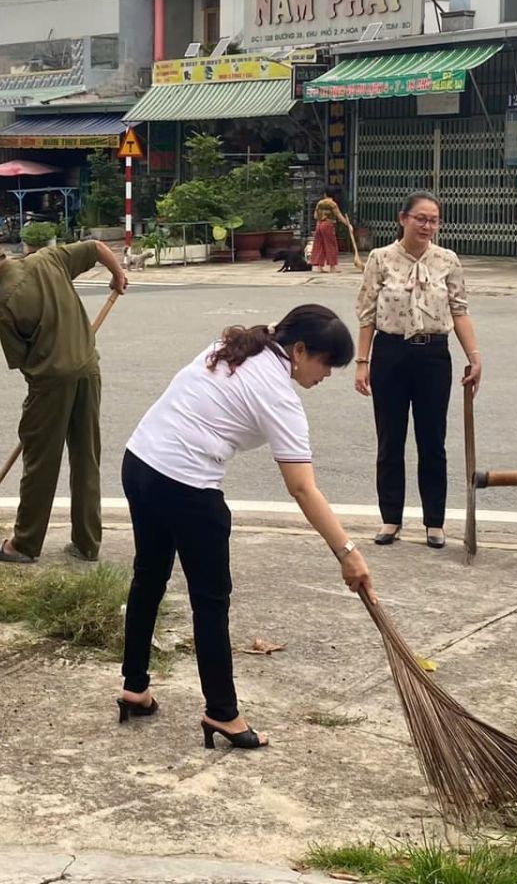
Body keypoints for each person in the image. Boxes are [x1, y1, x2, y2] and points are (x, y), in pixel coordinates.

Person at [119, 305, 373, 748]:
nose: (327, 375)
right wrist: (347, 552)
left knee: (149, 576)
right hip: (186, 484)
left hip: (140, 461)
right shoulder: (277, 393)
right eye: (326, 363)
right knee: (210, 601)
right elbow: (302, 488)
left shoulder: (232, 348)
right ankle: (222, 713)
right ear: (298, 350)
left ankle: (134, 687)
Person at [0, 235, 129, 564]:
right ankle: (87, 543)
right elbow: (96, 248)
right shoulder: (49, 259)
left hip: (50, 386)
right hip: (88, 371)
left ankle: (24, 544)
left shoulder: (2, 304)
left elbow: (22, 359)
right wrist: (118, 274)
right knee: (86, 458)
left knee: (40, 464)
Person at [353, 192, 481, 549]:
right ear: (403, 219)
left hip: (434, 356)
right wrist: (362, 363)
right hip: (390, 354)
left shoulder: (447, 260)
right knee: (390, 439)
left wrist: (475, 355)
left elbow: (459, 310)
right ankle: (391, 517)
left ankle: (434, 522)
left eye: (433, 220)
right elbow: (367, 315)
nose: (427, 226)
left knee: (432, 440)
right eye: (420, 218)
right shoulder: (380, 259)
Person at [311, 187, 351, 273]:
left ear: (325, 194)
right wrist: (348, 224)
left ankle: (319, 266)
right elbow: (339, 215)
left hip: (319, 224)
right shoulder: (333, 204)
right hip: (328, 225)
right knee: (331, 245)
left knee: (319, 245)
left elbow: (315, 216)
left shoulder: (320, 203)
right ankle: (332, 266)